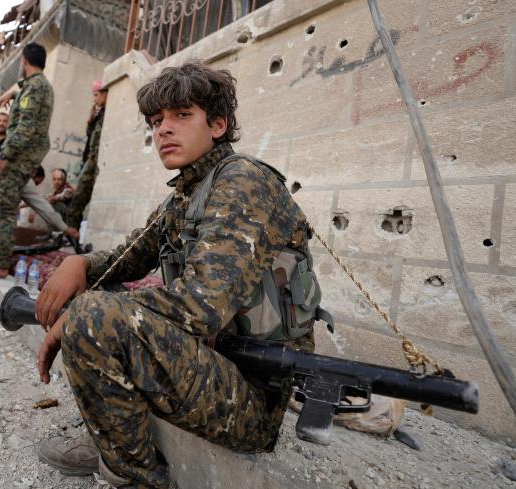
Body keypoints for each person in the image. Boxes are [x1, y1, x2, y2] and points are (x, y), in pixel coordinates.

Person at [34, 63, 318, 488]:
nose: (163, 130)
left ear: (218, 125)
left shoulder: (242, 181)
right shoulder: (189, 191)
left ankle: (135, 475)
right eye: (156, 121)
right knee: (95, 291)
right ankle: (112, 433)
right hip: (212, 363)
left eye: (181, 115)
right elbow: (131, 256)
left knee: (95, 314)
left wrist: (80, 317)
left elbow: (202, 306)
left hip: (250, 396)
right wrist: (82, 264)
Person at [0, 42, 53, 278]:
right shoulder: (36, 86)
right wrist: (14, 90)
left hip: (17, 159)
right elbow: (27, 92)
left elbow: (25, 128)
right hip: (21, 158)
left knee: (3, 212)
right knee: (0, 208)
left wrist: (4, 156)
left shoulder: (35, 88)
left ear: (24, 62)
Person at [0, 154, 77, 275]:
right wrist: (65, 227)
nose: (33, 186)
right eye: (35, 182)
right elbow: (41, 205)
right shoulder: (21, 175)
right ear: (33, 173)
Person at [66, 79, 107, 231]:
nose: (94, 99)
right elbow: (90, 136)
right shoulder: (99, 113)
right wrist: (90, 121)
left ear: (105, 93)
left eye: (96, 95)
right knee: (77, 200)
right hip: (91, 159)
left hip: (100, 160)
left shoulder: (112, 111)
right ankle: (72, 235)